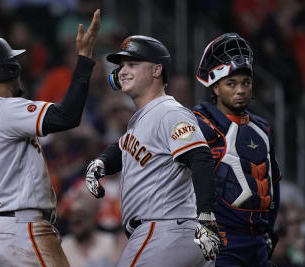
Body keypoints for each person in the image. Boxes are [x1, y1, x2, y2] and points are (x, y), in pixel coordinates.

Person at [0, 9, 100, 267]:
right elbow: (66, 117)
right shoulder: (4, 108)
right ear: (6, 68)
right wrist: (84, 59)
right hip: (22, 229)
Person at [84, 35, 223, 267]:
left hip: (164, 231)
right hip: (175, 234)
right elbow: (123, 146)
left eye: (133, 64)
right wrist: (101, 163)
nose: (123, 71)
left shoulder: (169, 111)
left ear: (157, 69)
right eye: (122, 66)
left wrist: (206, 217)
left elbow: (200, 158)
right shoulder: (143, 120)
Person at [194, 33, 282, 267]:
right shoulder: (197, 122)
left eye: (246, 83)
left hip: (258, 242)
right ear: (214, 88)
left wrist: (270, 231)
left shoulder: (262, 127)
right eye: (231, 84)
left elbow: (273, 183)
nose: (241, 90)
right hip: (222, 241)